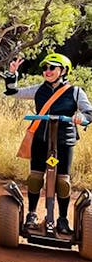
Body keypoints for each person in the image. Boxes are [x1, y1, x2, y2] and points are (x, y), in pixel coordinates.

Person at [5, 53, 92, 234]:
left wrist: (81, 118)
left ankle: (62, 219)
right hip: (41, 139)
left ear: (63, 70)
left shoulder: (75, 92)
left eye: (52, 68)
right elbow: (14, 92)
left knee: (63, 182)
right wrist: (12, 75)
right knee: (35, 178)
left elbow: (89, 112)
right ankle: (32, 214)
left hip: (64, 141)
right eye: (45, 68)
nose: (47, 71)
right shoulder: (39, 89)